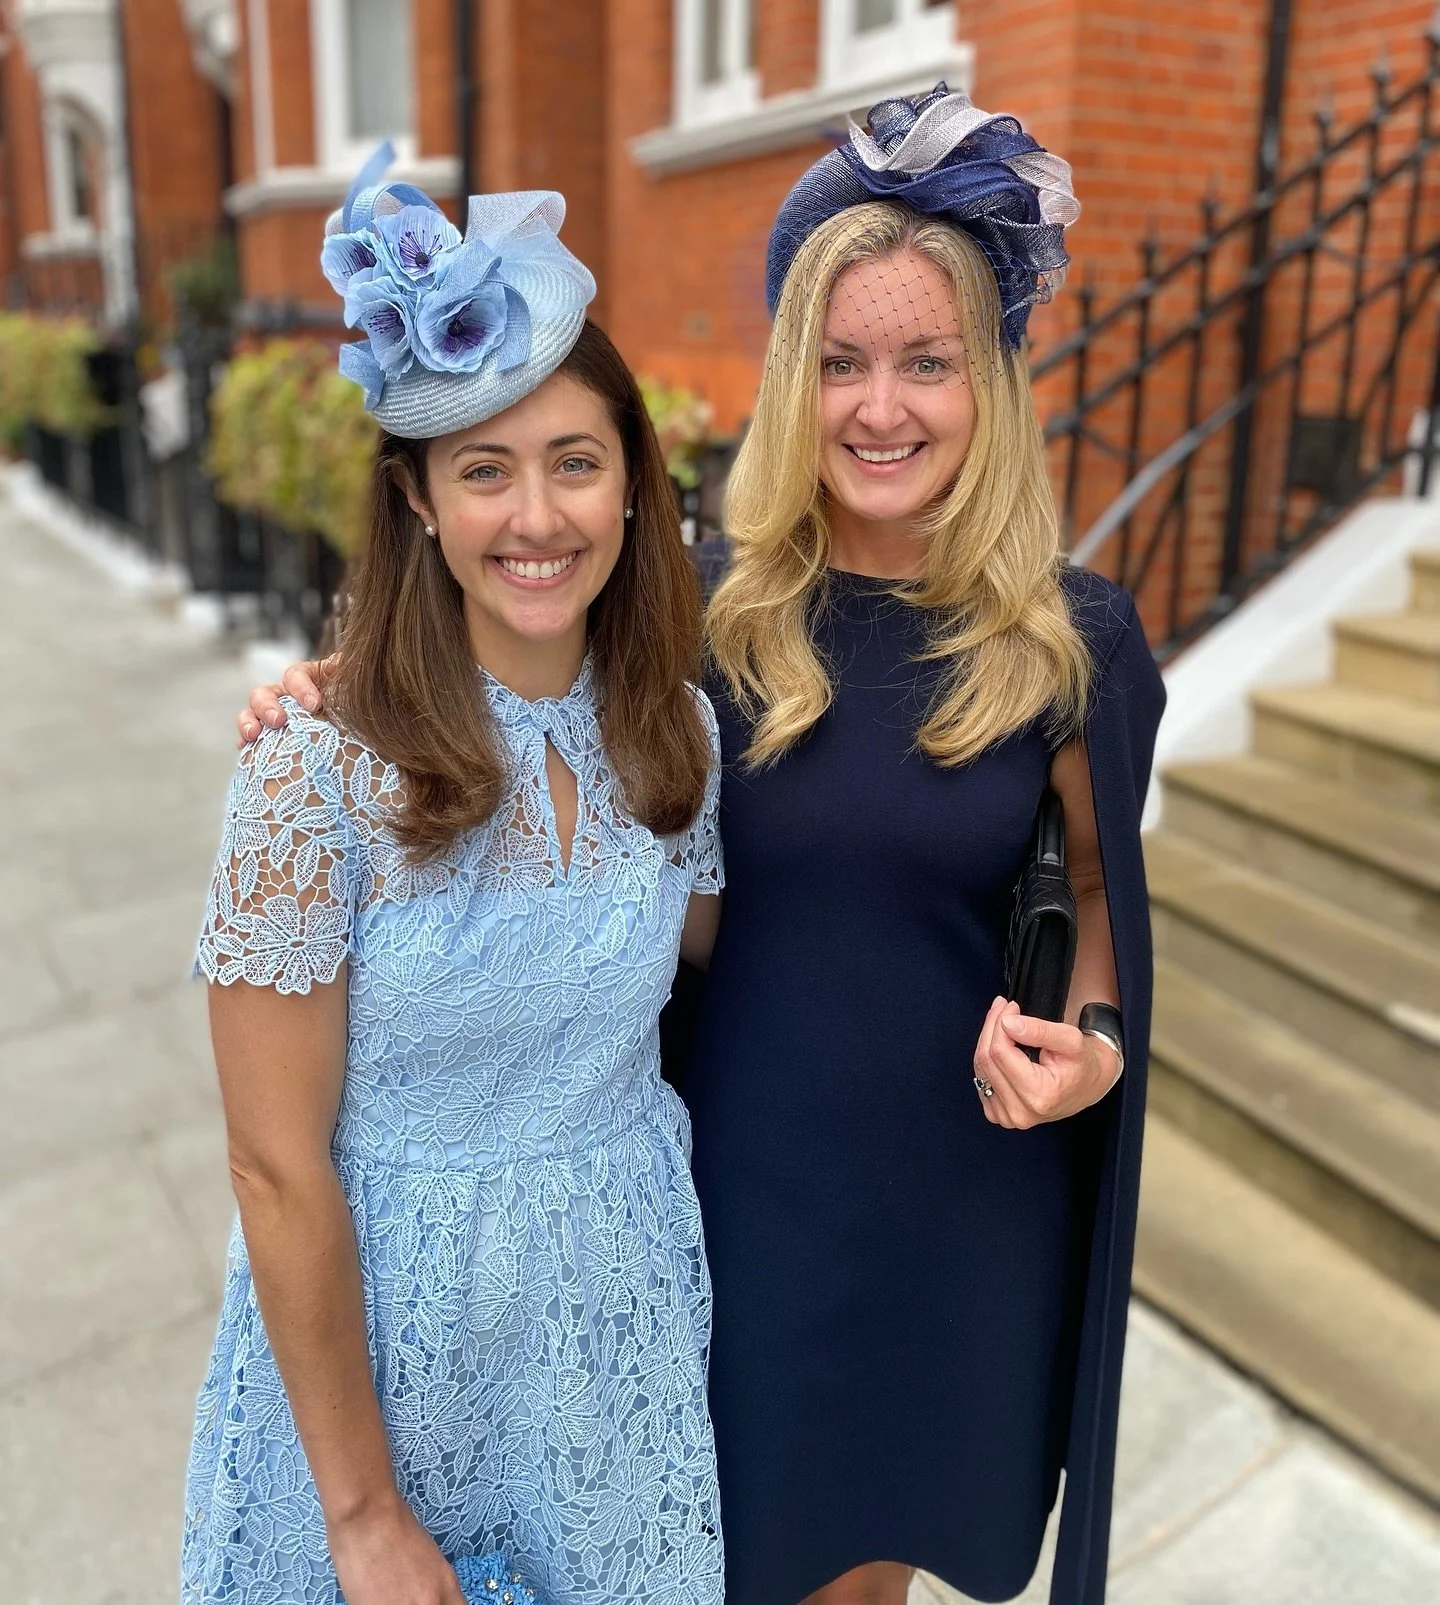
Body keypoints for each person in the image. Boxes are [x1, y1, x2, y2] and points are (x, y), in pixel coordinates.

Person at [236, 89, 1164, 1605]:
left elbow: (1101, 889)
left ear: (990, 382)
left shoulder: (1078, 644)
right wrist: (333, 686)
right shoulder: (701, 614)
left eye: (927, 362)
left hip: (963, 1205)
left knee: (882, 1566)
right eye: (844, 363)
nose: (882, 408)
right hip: (741, 1203)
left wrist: (1099, 1041)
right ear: (794, 382)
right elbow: (500, 636)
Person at [184, 154, 726, 1605]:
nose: (535, 516)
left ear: (631, 487)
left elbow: (737, 962)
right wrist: (361, 1515)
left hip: (615, 1347)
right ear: (419, 500)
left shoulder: (679, 736)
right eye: (483, 468)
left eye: (574, 461)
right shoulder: (314, 771)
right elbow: (271, 1161)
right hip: (386, 1361)